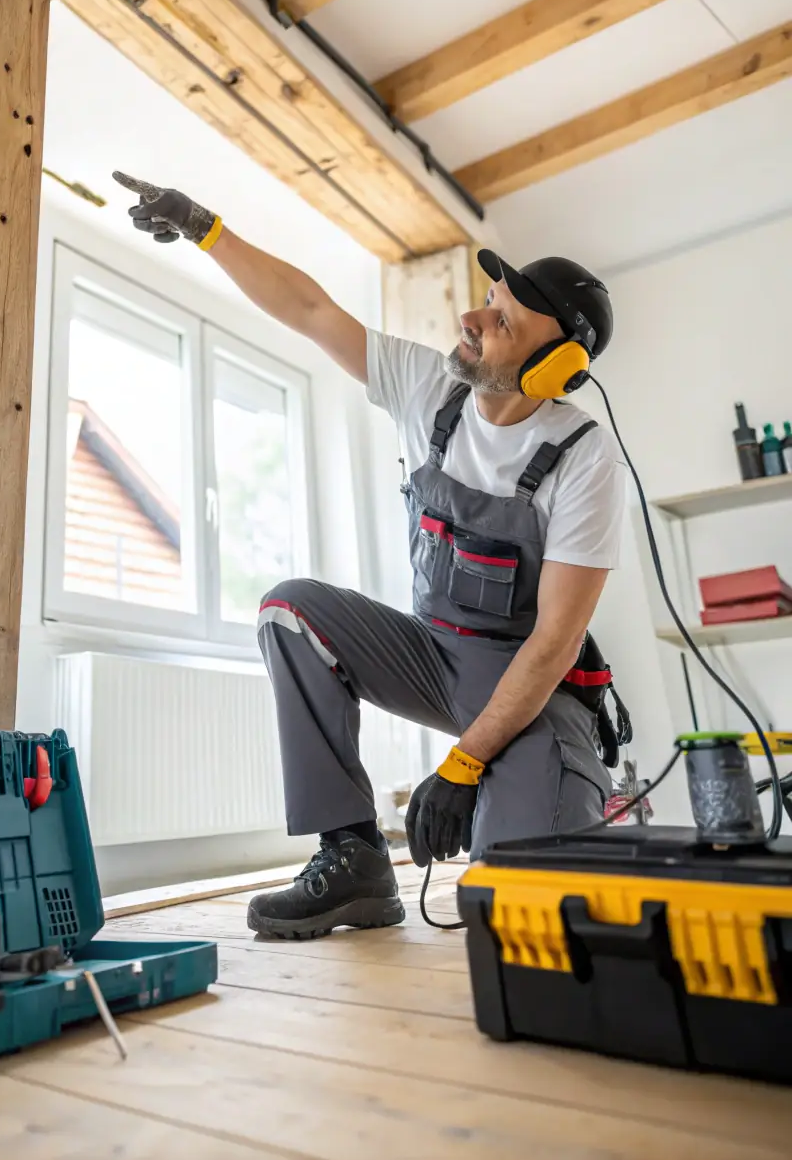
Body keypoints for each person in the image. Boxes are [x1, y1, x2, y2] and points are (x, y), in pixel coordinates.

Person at [112, 171, 627, 940]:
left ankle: (535, 808)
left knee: (524, 900)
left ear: (553, 368)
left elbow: (553, 642)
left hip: (526, 683)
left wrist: (465, 763)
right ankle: (352, 857)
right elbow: (310, 307)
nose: (471, 317)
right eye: (488, 303)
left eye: (502, 319)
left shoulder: (584, 459)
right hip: (428, 654)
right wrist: (204, 226)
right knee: (290, 609)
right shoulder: (429, 387)